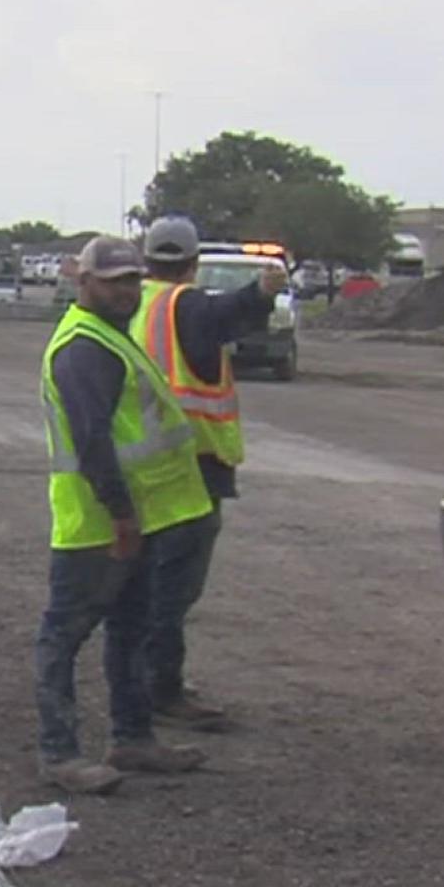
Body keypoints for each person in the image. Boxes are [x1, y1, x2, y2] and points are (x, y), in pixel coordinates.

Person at [34, 236, 215, 795]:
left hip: (137, 516)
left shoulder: (111, 338)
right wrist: (119, 514)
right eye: (114, 281)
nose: (127, 291)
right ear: (83, 281)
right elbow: (91, 441)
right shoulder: (85, 347)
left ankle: (132, 737)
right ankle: (59, 753)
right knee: (65, 635)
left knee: (132, 628)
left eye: (133, 280)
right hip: (97, 523)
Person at [130, 216, 287, 729]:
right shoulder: (184, 304)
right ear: (193, 262)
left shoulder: (134, 303)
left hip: (139, 459)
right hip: (190, 462)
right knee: (174, 583)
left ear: (147, 257)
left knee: (145, 575)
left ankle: (137, 678)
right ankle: (162, 688)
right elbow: (227, 313)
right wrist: (264, 289)